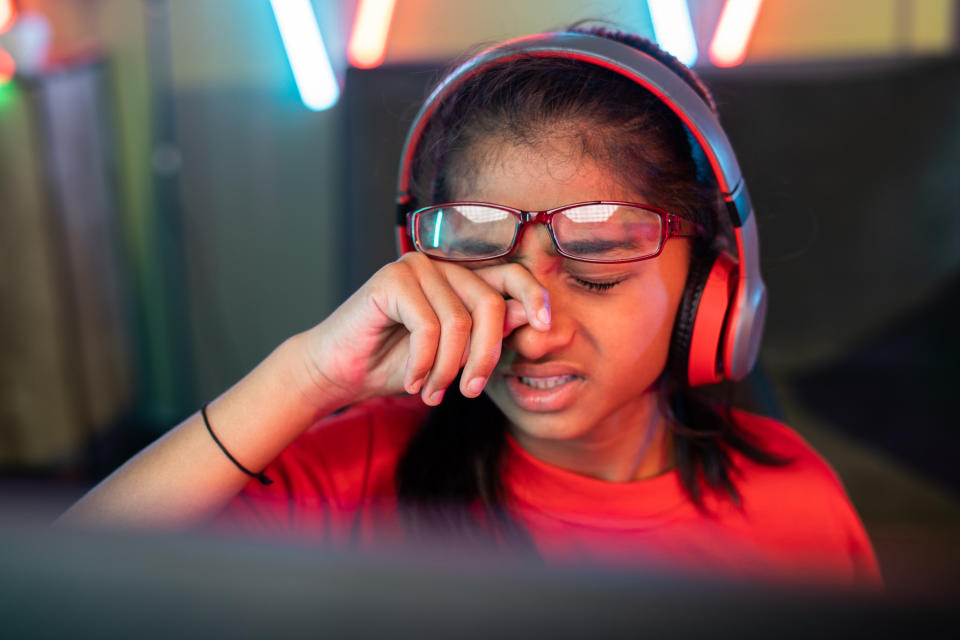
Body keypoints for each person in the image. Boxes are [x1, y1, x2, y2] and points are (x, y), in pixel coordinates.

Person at [59, 27, 881, 588]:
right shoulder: (353, 472)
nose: (534, 319)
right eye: (484, 260)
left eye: (595, 263)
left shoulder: (795, 507)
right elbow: (59, 592)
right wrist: (306, 375)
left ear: (712, 288)